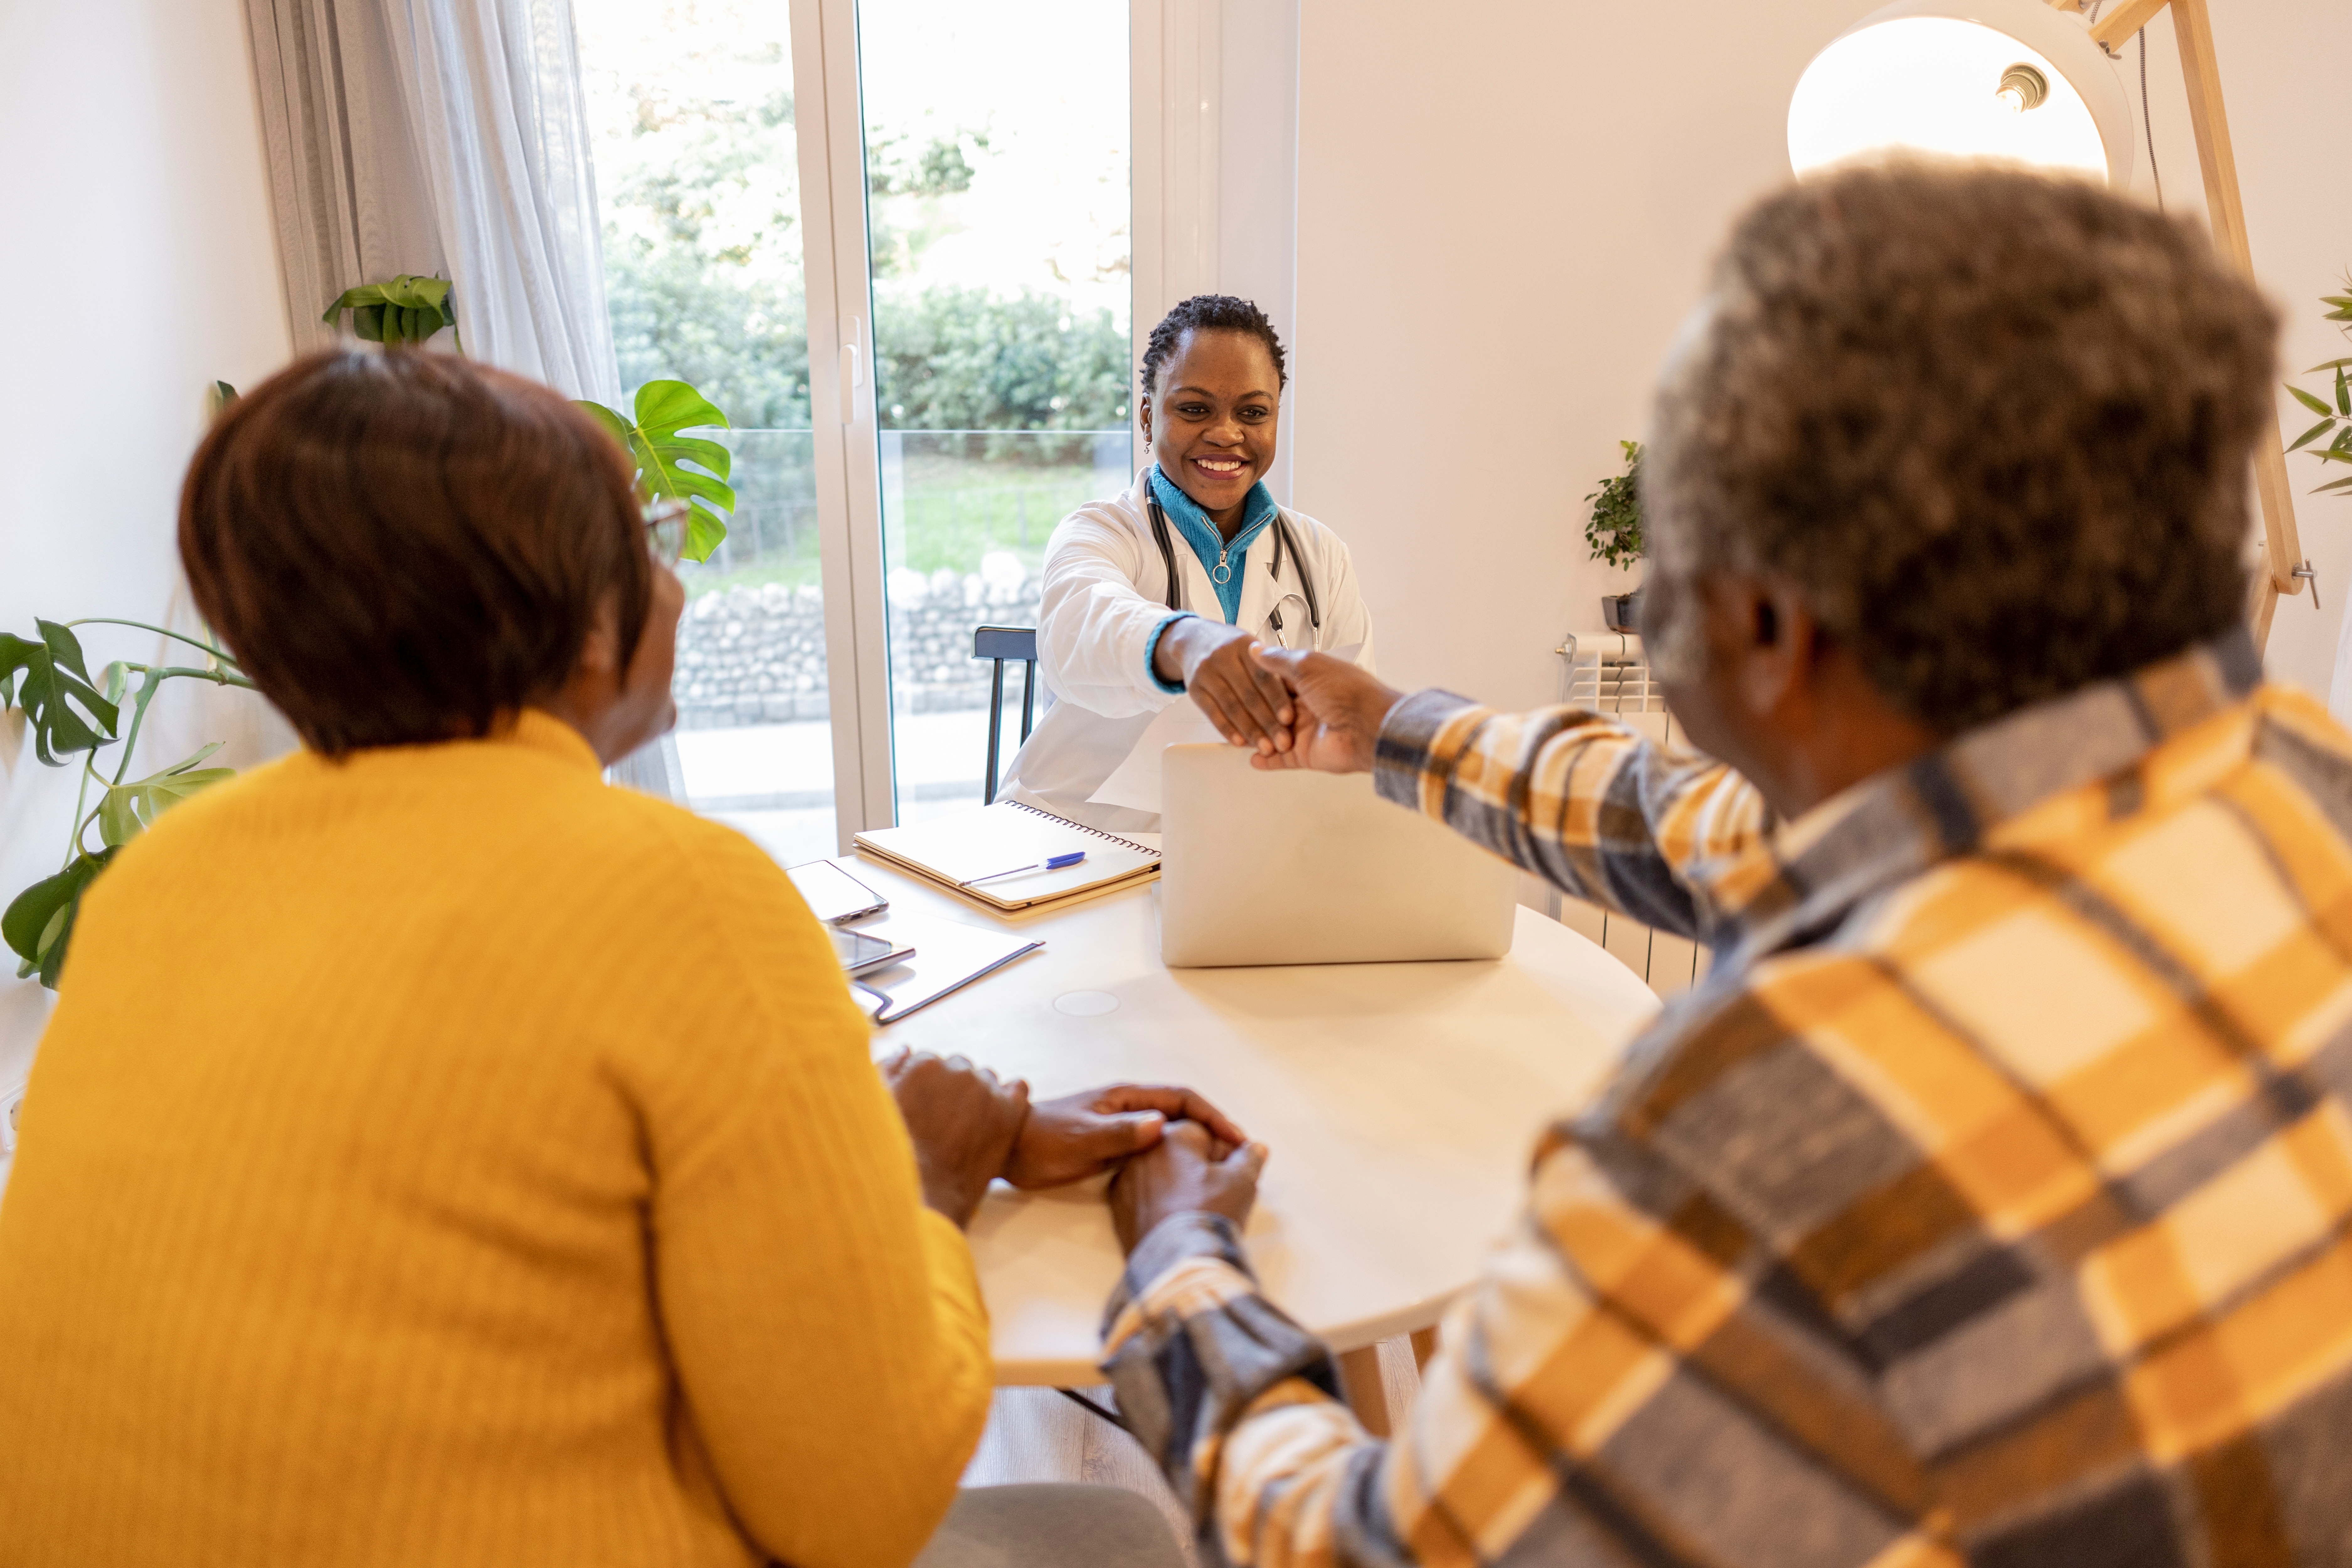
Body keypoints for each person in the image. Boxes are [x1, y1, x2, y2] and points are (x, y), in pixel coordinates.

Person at [1098, 162, 2352, 1566]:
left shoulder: (1753, 1134)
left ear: (1763, 624)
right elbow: (1719, 828)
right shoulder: (2296, 776)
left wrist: (1178, 1269)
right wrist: (1391, 726)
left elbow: (1379, 1550)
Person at [0, 348, 1219, 1568]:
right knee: (1118, 1533)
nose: (678, 587)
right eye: (650, 543)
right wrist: (921, 1183)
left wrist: (879, 1132)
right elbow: (862, 1502)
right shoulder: (681, 887)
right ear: (589, 628)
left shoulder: (160, 878)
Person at [1004, 294, 1375, 831]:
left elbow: (1351, 723)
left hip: (1248, 841)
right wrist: (1185, 641)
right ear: (1148, 417)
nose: (1227, 433)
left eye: (1253, 413)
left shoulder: (1320, 554)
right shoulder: (1101, 531)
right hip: (1081, 835)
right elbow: (1075, 627)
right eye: (1195, 409)